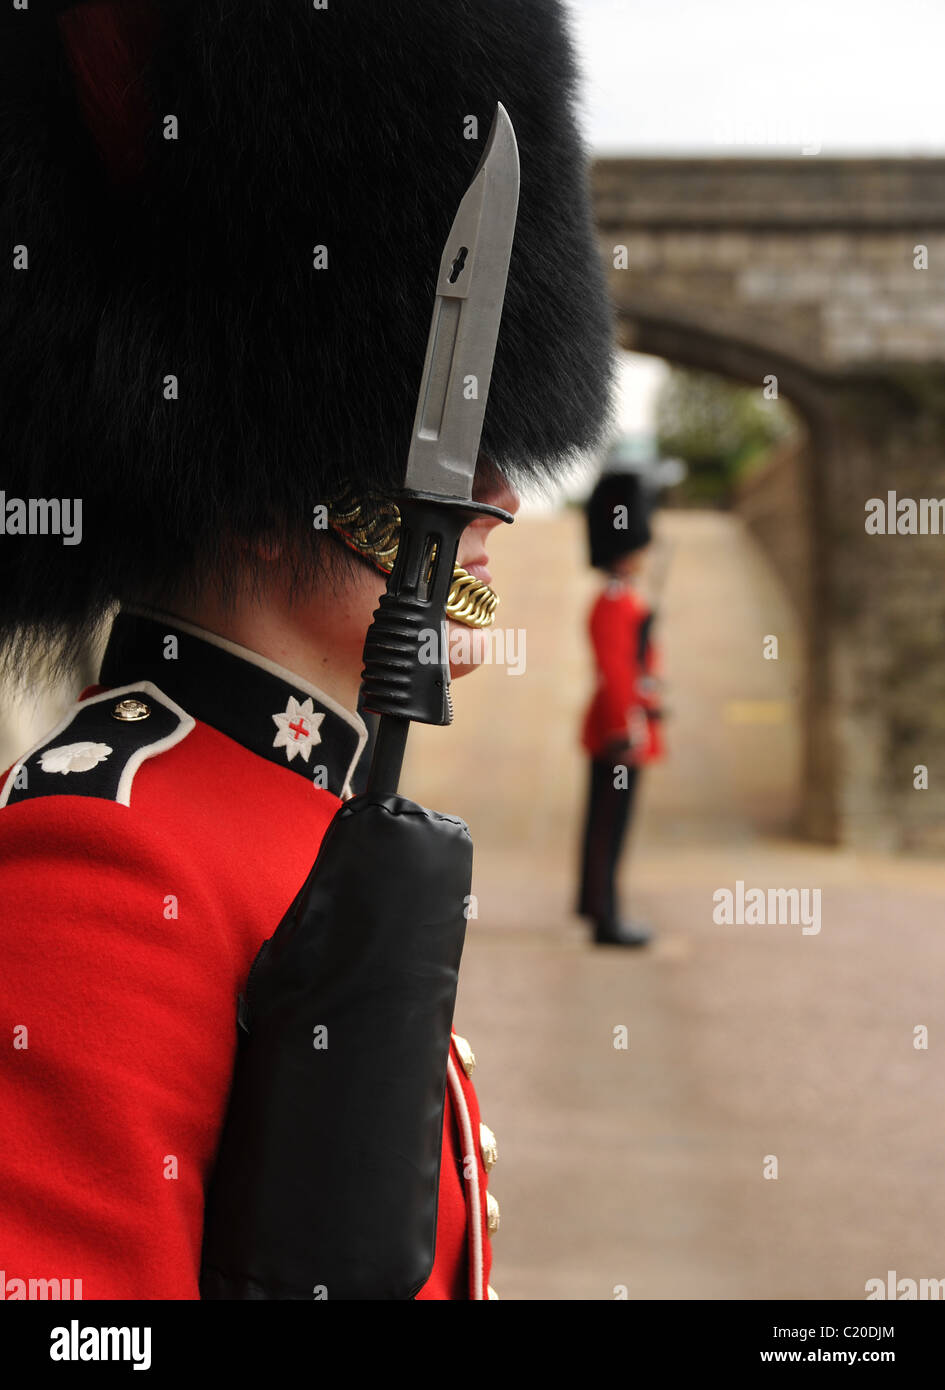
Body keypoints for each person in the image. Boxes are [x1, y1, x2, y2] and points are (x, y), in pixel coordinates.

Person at [0, 2, 614, 1300]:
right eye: (458, 450)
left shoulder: (309, 815)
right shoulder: (99, 860)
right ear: (269, 483)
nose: (496, 491)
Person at [578, 470, 665, 948]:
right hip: (619, 732)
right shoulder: (615, 601)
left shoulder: (624, 597)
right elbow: (616, 673)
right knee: (610, 828)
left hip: (623, 725)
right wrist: (627, 726)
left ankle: (597, 905)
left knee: (606, 824)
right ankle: (605, 917)